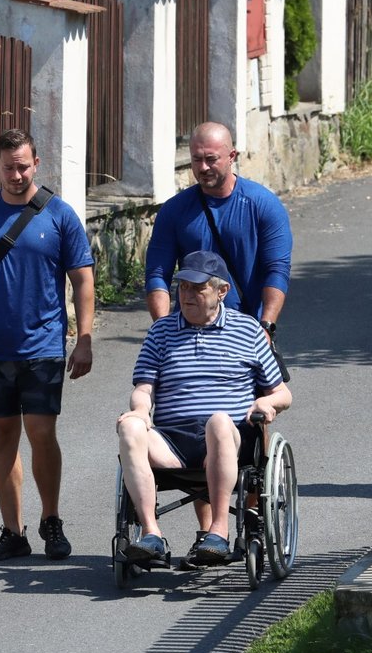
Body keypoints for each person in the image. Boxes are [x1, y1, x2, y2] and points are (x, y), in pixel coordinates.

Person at [144, 121, 293, 565]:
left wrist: (264, 326)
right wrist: (164, 326)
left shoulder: (262, 205)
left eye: (212, 159)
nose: (204, 167)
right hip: (186, 326)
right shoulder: (176, 212)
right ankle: (209, 529)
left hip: (246, 328)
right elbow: (156, 272)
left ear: (233, 156)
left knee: (248, 417)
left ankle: (244, 514)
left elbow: (276, 271)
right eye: (196, 160)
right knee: (192, 409)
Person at [0, 129, 95, 562]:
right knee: (2, 435)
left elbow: (82, 280)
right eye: (8, 167)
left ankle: (51, 519)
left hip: (43, 344)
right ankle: (14, 531)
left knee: (42, 433)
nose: (16, 174)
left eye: (23, 166)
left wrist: (84, 339)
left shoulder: (59, 215)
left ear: (37, 163)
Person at [117, 251, 292, 567]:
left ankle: (218, 531)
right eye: (182, 287)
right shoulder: (161, 332)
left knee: (218, 421)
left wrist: (266, 402)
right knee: (130, 427)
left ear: (221, 291)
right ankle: (151, 534)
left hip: (229, 437)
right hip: (173, 441)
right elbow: (143, 388)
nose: (186, 295)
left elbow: (282, 393)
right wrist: (141, 412)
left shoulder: (249, 331)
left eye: (197, 288)